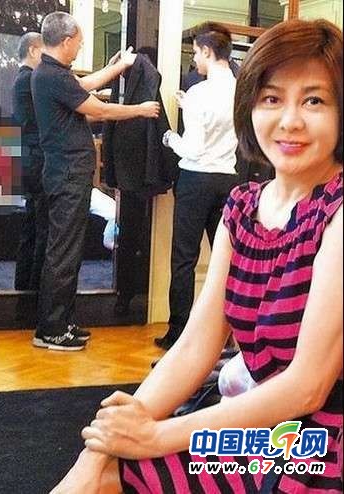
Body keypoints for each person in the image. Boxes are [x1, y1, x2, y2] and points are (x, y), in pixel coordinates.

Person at [51, 18, 343, 493]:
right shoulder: (243, 207)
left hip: (319, 440)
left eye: (314, 100)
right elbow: (194, 346)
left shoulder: (338, 211)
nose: (290, 120)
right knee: (102, 463)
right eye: (272, 99)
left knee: (124, 466)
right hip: (261, 423)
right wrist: (104, 446)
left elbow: (307, 386)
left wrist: (154, 436)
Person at [31, 12, 160, 352]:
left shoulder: (52, 73)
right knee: (63, 253)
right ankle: (52, 330)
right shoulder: (52, 75)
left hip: (67, 174)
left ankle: (60, 322)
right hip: (67, 175)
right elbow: (99, 110)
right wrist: (140, 109)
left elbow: (85, 86)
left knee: (66, 251)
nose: (80, 47)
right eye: (79, 42)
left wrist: (116, 67)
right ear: (66, 41)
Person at [155, 28, 240, 350]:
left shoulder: (199, 92)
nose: (195, 60)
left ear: (207, 51)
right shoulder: (241, 90)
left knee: (184, 259)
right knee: (225, 260)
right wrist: (187, 105)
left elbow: (192, 148)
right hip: (227, 179)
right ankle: (226, 333)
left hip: (196, 180)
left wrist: (169, 138)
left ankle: (178, 333)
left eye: (195, 53)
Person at [12, 32, 48, 292]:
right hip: (37, 160)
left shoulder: (22, 79)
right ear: (34, 50)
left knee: (32, 227)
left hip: (29, 159)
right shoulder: (30, 79)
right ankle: (34, 291)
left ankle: (24, 287)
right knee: (41, 229)